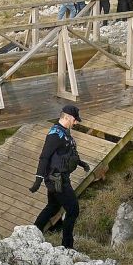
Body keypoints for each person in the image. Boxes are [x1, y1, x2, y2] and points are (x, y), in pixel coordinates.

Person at [30, 104, 90, 250]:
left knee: (53, 206)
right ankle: (67, 245)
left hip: (59, 177)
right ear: (67, 117)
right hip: (57, 179)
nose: (76, 123)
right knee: (73, 210)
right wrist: (38, 179)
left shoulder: (64, 131)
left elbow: (67, 152)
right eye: (75, 120)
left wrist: (81, 163)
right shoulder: (55, 135)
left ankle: (32, 233)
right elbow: (44, 157)